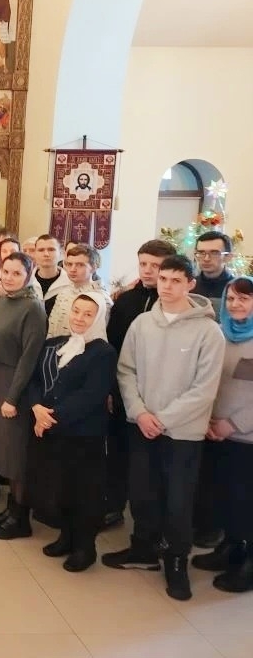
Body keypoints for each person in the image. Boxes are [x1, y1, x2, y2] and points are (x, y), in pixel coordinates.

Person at [102, 255, 225, 602]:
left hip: (182, 433)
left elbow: (204, 389)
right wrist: (140, 413)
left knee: (178, 500)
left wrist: (164, 419)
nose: (167, 286)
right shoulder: (142, 324)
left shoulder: (208, 332)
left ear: (190, 284)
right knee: (142, 492)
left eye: (175, 280)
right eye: (163, 279)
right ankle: (142, 550)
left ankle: (176, 561)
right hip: (142, 425)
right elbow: (126, 371)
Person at [26, 292, 115, 571]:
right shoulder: (56, 343)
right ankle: (66, 536)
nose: (79, 318)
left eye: (88, 314)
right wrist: (36, 407)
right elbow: (35, 380)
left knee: (84, 492)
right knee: (60, 488)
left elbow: (90, 396)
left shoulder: (103, 352)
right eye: (76, 311)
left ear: (98, 318)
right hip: (53, 431)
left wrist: (49, 418)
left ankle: (85, 548)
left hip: (83, 435)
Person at [102, 239, 176, 529]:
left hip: (158, 396)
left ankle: (152, 521)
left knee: (151, 461)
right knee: (118, 451)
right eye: (143, 264)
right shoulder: (126, 301)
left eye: (155, 266)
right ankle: (114, 505)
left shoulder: (170, 305)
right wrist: (110, 389)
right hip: (123, 388)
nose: (147, 270)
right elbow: (112, 346)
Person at [0, 252, 47, 540]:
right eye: (5, 271)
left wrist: (12, 398)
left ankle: (21, 518)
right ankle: (11, 509)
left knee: (17, 453)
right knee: (4, 450)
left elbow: (29, 357)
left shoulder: (33, 307)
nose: (8, 277)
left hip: (15, 383)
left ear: (28, 275)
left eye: (16, 273)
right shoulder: (4, 300)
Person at [195, 277, 253, 592]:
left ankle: (249, 564)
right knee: (226, 497)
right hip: (215, 431)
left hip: (245, 437)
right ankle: (230, 548)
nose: (235, 305)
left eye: (244, 299)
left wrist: (233, 423)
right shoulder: (219, 334)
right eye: (230, 299)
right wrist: (207, 418)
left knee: (247, 500)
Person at [47, 244, 111, 337]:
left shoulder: (101, 298)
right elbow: (52, 327)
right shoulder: (64, 292)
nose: (72, 269)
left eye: (80, 265)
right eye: (69, 264)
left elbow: (97, 335)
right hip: (55, 344)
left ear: (93, 268)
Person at [193, 230, 234, 320]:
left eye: (214, 253)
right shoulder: (189, 286)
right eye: (201, 253)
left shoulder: (237, 288)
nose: (206, 258)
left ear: (228, 257)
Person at [32, 235, 71, 316]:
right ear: (35, 254)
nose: (46, 254)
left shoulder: (70, 283)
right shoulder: (25, 282)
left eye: (51, 249)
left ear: (61, 253)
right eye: (41, 250)